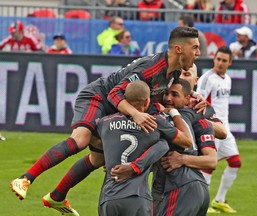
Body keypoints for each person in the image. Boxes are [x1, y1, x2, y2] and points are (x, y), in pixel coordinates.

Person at [10, 26, 201, 214]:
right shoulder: (151, 67)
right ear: (178, 49)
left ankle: (56, 196)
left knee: (97, 159)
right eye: (194, 47)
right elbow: (114, 93)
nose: (198, 53)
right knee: (81, 139)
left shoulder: (173, 72)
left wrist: (195, 97)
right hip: (98, 97)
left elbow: (165, 96)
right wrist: (136, 114)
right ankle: (25, 179)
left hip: (118, 107)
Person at [97, 80, 193, 216]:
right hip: (137, 198)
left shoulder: (104, 123)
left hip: (109, 198)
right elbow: (186, 141)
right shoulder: (155, 122)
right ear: (147, 102)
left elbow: (96, 144)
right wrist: (174, 112)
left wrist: (109, 158)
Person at [196, 46, 241, 213]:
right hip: (212, 128)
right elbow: (198, 102)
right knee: (208, 165)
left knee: (235, 163)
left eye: (224, 60)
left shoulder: (227, 79)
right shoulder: (207, 79)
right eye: (218, 59)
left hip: (225, 129)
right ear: (214, 59)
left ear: (230, 62)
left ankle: (219, 200)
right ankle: (201, 204)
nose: (220, 63)